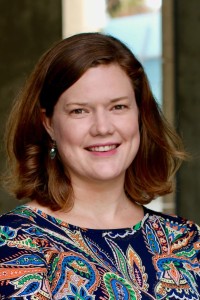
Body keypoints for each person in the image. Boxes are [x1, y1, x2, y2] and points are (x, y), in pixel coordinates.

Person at [0, 32, 199, 300]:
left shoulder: (186, 241)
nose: (103, 128)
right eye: (79, 111)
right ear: (48, 124)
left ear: (140, 115)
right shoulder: (14, 243)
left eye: (118, 107)